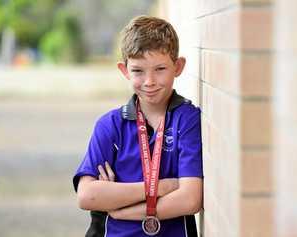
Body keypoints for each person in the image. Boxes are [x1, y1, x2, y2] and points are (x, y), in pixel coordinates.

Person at [73, 15, 204, 237]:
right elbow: (87, 196)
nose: (149, 81)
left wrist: (119, 206)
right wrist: (162, 187)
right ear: (124, 70)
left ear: (178, 66)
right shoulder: (110, 126)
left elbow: (190, 200)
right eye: (138, 71)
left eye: (160, 68)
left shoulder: (187, 120)